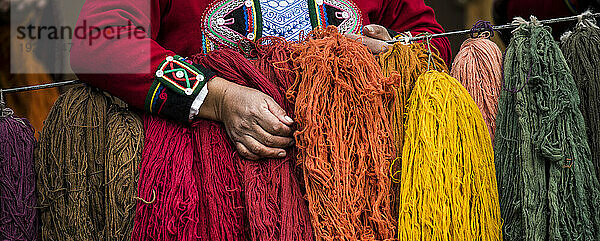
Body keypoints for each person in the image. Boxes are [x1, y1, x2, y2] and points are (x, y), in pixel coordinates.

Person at [70, 0, 450, 160]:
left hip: (357, 175)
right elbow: (100, 39)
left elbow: (428, 35)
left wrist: (393, 51)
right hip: (216, 194)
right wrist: (217, 98)